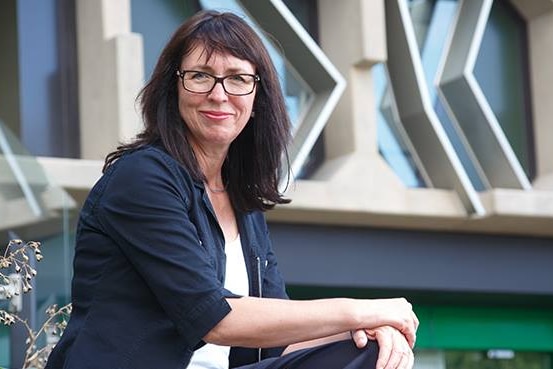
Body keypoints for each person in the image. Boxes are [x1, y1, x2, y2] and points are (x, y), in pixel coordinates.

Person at [45, 9, 419, 369]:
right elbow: (214, 318)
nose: (219, 94)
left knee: (369, 352)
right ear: (172, 88)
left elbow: (275, 341)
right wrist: (364, 309)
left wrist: (367, 329)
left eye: (238, 78)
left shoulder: (242, 202)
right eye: (200, 76)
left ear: (258, 98)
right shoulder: (142, 178)